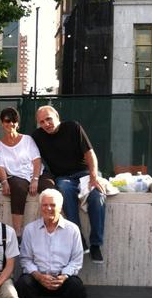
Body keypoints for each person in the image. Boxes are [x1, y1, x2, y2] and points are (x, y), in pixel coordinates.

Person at [15, 189, 89, 298]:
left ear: (61, 207)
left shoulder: (72, 230)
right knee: (22, 284)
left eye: (53, 205)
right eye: (45, 205)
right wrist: (39, 276)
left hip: (62, 278)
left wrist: (64, 276)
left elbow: (76, 261)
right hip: (38, 278)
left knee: (77, 288)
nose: (49, 208)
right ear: (40, 207)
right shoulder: (30, 229)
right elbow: (25, 259)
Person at [32, 105, 106, 263]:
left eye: (49, 119)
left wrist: (94, 176)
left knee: (97, 196)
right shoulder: (37, 136)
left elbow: (89, 153)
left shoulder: (73, 127)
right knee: (64, 190)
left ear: (57, 116)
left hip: (85, 173)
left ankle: (95, 244)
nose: (46, 124)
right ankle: (79, 238)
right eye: (42, 122)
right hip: (64, 177)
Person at [0, 107, 45, 239]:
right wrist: (4, 181)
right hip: (16, 177)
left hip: (36, 174)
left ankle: (57, 225)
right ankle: (17, 233)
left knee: (50, 187)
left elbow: (37, 160)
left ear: (17, 123)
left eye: (14, 121)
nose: (10, 124)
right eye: (7, 121)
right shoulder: (0, 145)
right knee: (17, 188)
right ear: (2, 123)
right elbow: (0, 166)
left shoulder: (27, 139)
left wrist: (35, 179)